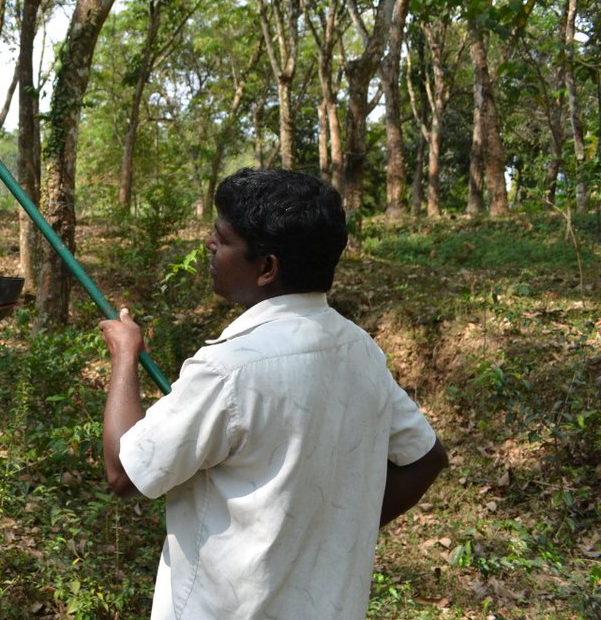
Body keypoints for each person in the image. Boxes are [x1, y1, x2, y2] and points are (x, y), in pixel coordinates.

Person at [100, 167, 448, 620]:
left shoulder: (228, 368)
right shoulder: (360, 349)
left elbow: (123, 472)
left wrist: (125, 356)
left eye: (223, 239)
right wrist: (336, 531)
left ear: (267, 268)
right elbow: (426, 457)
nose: (209, 245)